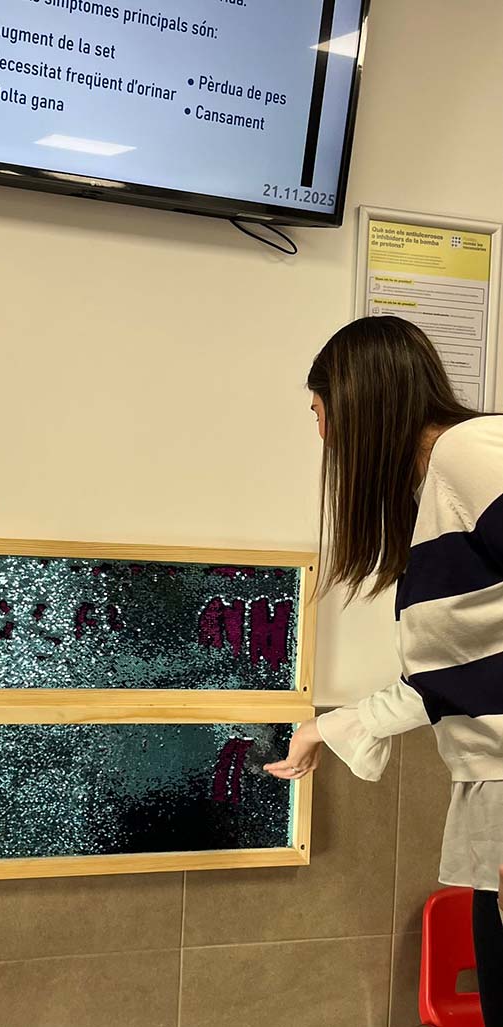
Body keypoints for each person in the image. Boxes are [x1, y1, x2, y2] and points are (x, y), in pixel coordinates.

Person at [264, 316, 503, 1024]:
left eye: (318, 411)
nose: (321, 434)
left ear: (358, 401)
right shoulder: (435, 496)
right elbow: (450, 678)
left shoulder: (470, 451)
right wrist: (328, 727)